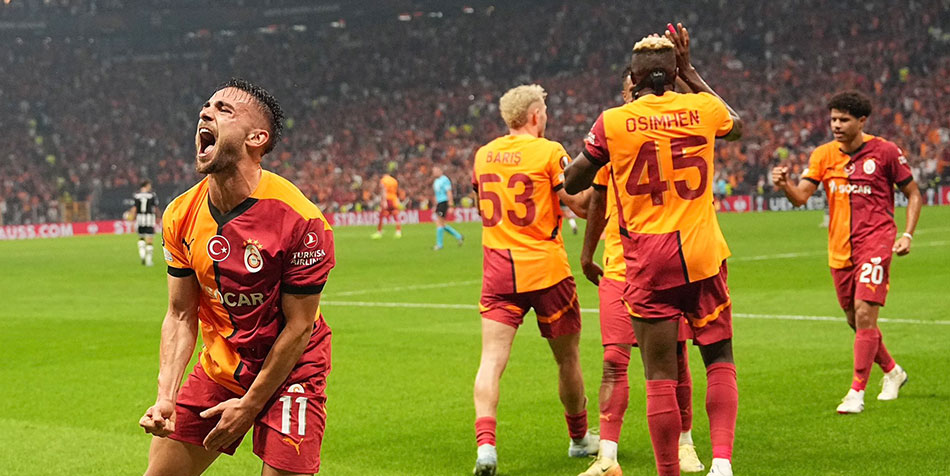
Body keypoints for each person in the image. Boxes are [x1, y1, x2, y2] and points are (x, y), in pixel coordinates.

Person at [565, 25, 743, 476]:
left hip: (649, 260)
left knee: (659, 375)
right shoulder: (702, 109)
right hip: (703, 253)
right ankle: (722, 463)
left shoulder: (613, 122)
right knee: (718, 358)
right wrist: (692, 72)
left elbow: (574, 180)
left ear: (633, 78)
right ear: (675, 72)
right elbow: (736, 125)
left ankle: (668, 471)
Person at [139, 78, 335, 476]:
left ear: (256, 138)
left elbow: (299, 326)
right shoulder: (180, 214)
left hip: (293, 369)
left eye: (224, 109)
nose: (205, 112)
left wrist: (250, 406)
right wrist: (166, 396)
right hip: (223, 364)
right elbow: (180, 314)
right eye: (206, 106)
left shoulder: (302, 220)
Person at [577, 66, 704, 476]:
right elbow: (598, 199)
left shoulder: (678, 133)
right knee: (613, 359)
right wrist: (587, 253)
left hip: (667, 261)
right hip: (620, 265)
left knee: (676, 358)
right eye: (630, 90)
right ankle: (607, 457)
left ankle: (685, 443)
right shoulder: (612, 135)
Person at [771, 90, 921, 414]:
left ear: (862, 121)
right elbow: (801, 197)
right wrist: (785, 185)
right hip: (840, 247)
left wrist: (907, 234)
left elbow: (913, 193)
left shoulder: (886, 152)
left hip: (876, 242)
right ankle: (893, 371)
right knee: (855, 320)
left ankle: (856, 392)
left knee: (865, 312)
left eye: (844, 120)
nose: (836, 125)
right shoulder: (823, 155)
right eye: (833, 120)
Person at [471, 83, 594, 476]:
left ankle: (486, 449)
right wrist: (604, 178)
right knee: (567, 358)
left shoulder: (483, 155)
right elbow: (580, 206)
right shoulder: (549, 151)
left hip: (498, 270)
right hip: (545, 270)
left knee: (491, 361)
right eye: (545, 110)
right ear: (535, 115)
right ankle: (579, 439)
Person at [432, 165, 464, 250]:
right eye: (433, 171)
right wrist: (435, 205)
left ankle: (439, 245)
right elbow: (436, 194)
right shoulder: (436, 181)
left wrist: (451, 205)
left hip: (444, 202)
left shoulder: (444, 180)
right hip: (439, 203)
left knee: (439, 223)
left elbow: (449, 192)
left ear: (440, 171)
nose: (434, 173)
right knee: (441, 224)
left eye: (436, 171)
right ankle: (459, 236)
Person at [128, 180, 159, 266]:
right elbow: (155, 208)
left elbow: (134, 208)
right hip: (149, 218)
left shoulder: (137, 195)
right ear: (147, 185)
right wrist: (158, 216)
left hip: (140, 218)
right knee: (150, 239)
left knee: (141, 237)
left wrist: (132, 217)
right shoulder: (152, 195)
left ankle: (142, 254)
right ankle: (149, 260)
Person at [372, 172, 402, 239]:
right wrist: (397, 199)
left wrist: (384, 200)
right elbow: (396, 191)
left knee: (381, 216)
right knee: (395, 215)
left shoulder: (383, 180)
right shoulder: (394, 181)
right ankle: (398, 232)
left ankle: (379, 232)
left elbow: (383, 190)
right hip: (394, 199)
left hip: (387, 199)